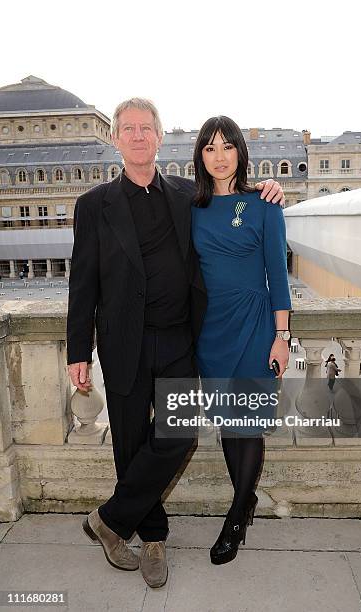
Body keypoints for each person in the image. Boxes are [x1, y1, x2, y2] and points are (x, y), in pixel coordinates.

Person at [66, 98, 285, 588]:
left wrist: (270, 189)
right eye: (129, 129)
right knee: (128, 443)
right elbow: (81, 285)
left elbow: (238, 202)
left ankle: (107, 520)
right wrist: (77, 351)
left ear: (160, 138)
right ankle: (152, 539)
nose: (139, 136)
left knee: (178, 435)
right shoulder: (93, 206)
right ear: (116, 138)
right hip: (122, 343)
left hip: (177, 340)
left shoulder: (189, 196)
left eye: (147, 128)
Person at [191, 116, 292, 565]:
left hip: (254, 325)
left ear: (240, 153)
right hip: (210, 329)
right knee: (228, 422)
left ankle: (235, 516)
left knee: (247, 423)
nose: (219, 156)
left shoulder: (265, 204)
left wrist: (282, 336)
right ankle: (245, 498)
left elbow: (278, 274)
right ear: (200, 155)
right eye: (209, 148)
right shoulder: (189, 204)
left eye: (226, 147)